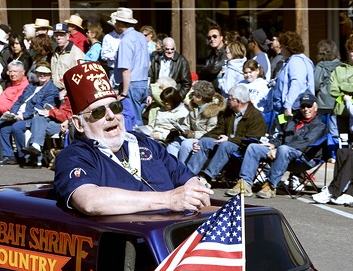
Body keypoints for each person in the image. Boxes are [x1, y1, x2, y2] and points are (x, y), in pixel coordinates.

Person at [52, 62, 212, 215]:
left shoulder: (143, 142)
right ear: (78, 124)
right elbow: (89, 201)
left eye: (115, 107)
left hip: (175, 234)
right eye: (98, 112)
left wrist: (197, 190)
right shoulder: (74, 156)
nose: (111, 116)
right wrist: (168, 199)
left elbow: (185, 177)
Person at [226, 93, 327, 199]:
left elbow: (304, 144)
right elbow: (282, 136)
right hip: (282, 153)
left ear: (315, 107)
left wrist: (277, 149)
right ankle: (245, 184)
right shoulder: (294, 119)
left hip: (304, 157)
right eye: (303, 106)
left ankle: (270, 186)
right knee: (253, 147)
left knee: (284, 149)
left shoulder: (320, 125)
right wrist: (273, 144)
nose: (306, 109)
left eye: (309, 106)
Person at [186, 83, 267, 182]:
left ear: (238, 101)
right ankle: (188, 175)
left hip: (241, 147)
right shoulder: (229, 112)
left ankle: (207, 177)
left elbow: (252, 139)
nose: (227, 100)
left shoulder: (256, 116)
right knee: (205, 142)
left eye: (229, 99)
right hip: (225, 142)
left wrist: (230, 139)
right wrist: (200, 139)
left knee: (226, 145)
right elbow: (219, 129)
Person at [0, 62, 60, 166]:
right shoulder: (31, 86)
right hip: (19, 115)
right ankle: (9, 156)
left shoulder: (52, 90)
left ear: (50, 75)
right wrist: (12, 113)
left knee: (16, 127)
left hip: (34, 118)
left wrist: (23, 116)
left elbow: (41, 109)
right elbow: (19, 100)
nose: (42, 76)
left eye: (45, 74)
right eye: (40, 73)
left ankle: (25, 157)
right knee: (4, 126)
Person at [110, 8, 150, 127]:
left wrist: (124, 93)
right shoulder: (141, 36)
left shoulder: (126, 41)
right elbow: (148, 63)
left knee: (133, 122)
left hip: (131, 84)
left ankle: (140, 145)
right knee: (139, 119)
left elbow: (126, 69)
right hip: (142, 82)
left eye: (116, 21)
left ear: (120, 24)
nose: (115, 24)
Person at [172, 80, 225, 162]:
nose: (191, 96)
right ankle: (171, 165)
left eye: (193, 94)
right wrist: (181, 130)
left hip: (202, 139)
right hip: (190, 136)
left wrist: (193, 134)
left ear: (199, 97)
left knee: (186, 145)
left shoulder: (213, 111)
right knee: (174, 143)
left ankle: (181, 168)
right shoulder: (194, 107)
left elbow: (210, 132)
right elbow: (187, 123)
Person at [20, 93, 74, 169]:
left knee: (37, 125)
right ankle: (36, 149)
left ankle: (35, 157)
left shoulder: (74, 96)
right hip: (56, 121)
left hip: (65, 125)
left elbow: (67, 116)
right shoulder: (65, 95)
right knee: (38, 118)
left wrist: (51, 111)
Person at [272, 31, 315, 120]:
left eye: (282, 46)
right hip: (288, 107)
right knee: (282, 130)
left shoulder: (296, 62)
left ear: (288, 48)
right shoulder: (291, 61)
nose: (280, 49)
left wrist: (288, 105)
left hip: (293, 108)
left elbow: (296, 84)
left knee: (290, 131)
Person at [314, 39, 341, 141]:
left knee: (321, 128)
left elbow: (316, 84)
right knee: (334, 127)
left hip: (323, 102)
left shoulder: (321, 66)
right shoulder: (340, 65)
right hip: (337, 101)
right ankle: (335, 150)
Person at [50, 23, 85, 91]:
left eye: (61, 35)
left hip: (70, 91)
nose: (58, 38)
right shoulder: (55, 53)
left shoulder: (77, 53)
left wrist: (65, 91)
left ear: (68, 36)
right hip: (55, 90)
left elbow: (80, 77)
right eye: (56, 35)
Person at [199, 25, 227, 90]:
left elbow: (214, 69)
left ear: (221, 38)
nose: (212, 39)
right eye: (209, 37)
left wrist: (205, 70)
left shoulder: (226, 52)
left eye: (215, 36)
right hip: (211, 88)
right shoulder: (212, 53)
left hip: (222, 89)